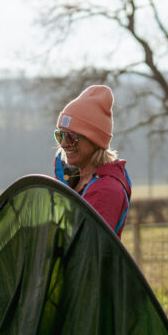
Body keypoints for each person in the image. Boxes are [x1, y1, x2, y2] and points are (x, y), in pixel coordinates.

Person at [53, 84, 132, 238]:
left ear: (95, 141)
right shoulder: (73, 178)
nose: (62, 144)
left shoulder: (107, 190)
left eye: (71, 138)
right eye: (60, 135)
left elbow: (87, 251)